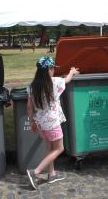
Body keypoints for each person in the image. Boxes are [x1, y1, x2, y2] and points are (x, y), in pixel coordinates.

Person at [26, 56, 79, 190]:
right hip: (53, 123)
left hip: (41, 124)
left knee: (49, 147)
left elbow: (29, 107)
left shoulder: (32, 86)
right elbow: (67, 80)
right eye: (52, 69)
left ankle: (52, 174)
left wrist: (32, 122)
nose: (54, 71)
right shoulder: (54, 82)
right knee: (59, 148)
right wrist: (72, 71)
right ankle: (35, 172)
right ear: (49, 69)